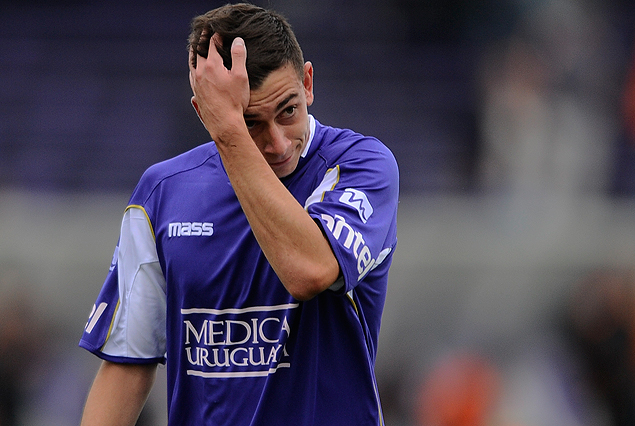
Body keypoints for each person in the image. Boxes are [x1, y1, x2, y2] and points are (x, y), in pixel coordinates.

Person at [79, 3, 399, 425]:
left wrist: (232, 134)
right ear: (205, 113)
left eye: (288, 110)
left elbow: (309, 269)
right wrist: (229, 132)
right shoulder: (162, 193)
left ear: (307, 82)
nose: (280, 144)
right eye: (251, 122)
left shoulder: (361, 165)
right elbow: (126, 363)